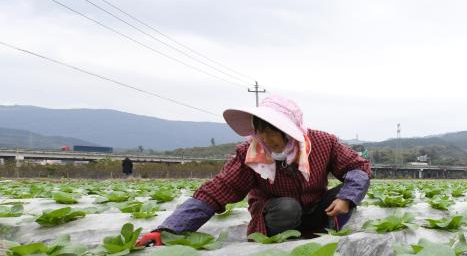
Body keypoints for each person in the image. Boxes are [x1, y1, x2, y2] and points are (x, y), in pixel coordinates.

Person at [137, 95, 370, 245]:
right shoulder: (249, 153)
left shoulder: (323, 143)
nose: (266, 139)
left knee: (345, 193)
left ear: (289, 131)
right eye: (261, 131)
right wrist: (169, 230)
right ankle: (281, 243)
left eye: (273, 131)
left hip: (316, 211)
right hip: (278, 216)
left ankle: (326, 235)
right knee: (288, 207)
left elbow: (358, 167)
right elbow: (218, 190)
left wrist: (347, 199)